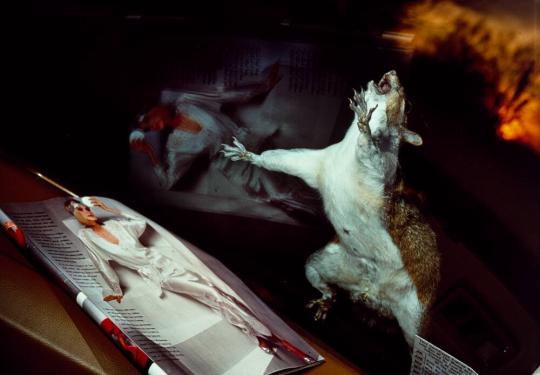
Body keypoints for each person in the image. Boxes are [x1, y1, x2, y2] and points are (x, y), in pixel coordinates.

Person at [65, 197, 314, 362]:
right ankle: (261, 334)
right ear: (74, 215)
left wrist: (112, 211)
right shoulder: (87, 238)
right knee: (212, 296)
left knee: (218, 292)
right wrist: (116, 290)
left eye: (87, 207)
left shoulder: (118, 226)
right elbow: (101, 263)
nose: (87, 212)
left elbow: (141, 224)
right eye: (80, 210)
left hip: (168, 261)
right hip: (160, 275)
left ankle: (263, 335)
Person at [130, 63, 281, 190]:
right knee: (282, 193)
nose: (152, 126)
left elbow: (228, 94)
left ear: (154, 106)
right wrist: (150, 152)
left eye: (148, 118)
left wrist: (264, 85)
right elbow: (167, 182)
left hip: (253, 143)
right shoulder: (175, 146)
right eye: (148, 128)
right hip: (240, 170)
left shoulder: (188, 101)